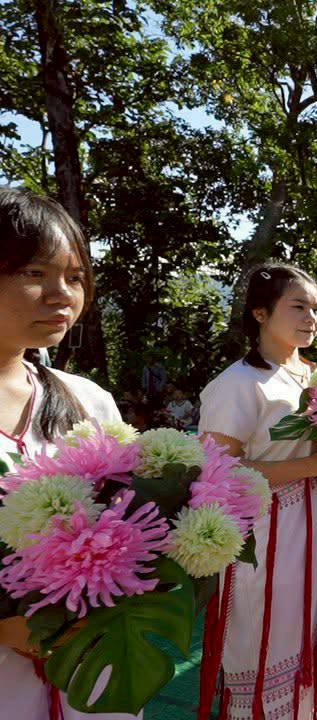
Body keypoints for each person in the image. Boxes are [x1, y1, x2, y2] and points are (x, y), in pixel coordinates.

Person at [198, 262, 317, 720]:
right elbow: (216, 472)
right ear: (260, 312)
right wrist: (315, 465)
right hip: (269, 534)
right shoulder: (239, 383)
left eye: (316, 309)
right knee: (267, 635)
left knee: (312, 630)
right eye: (298, 306)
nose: (311, 318)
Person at [0, 188, 138, 719]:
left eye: (75, 277)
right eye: (35, 273)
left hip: (91, 677)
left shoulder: (89, 401)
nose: (62, 295)